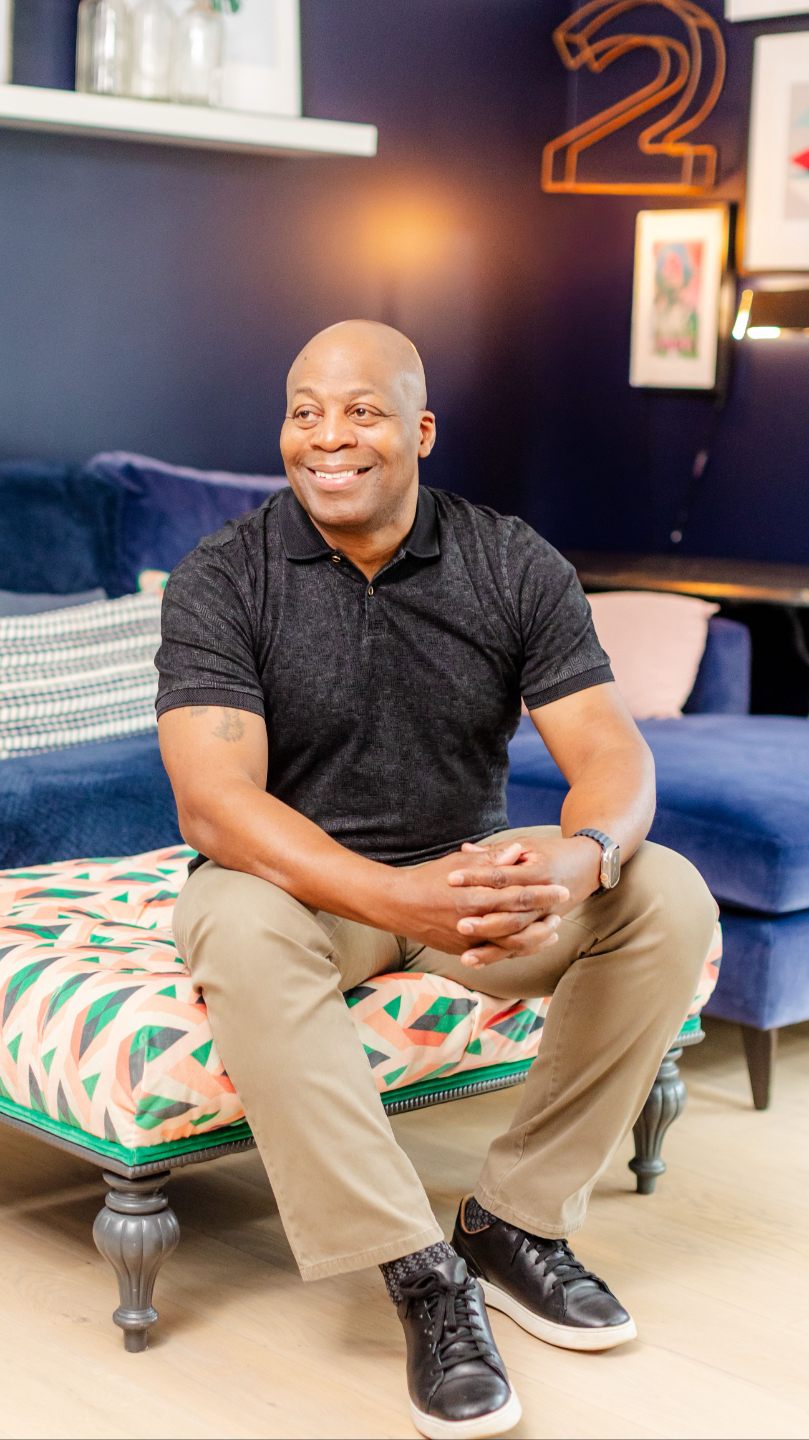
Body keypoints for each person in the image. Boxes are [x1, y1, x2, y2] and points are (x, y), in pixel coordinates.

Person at [156, 319, 716, 1440]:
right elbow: (215, 804)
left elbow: (609, 752)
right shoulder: (223, 577)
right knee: (225, 915)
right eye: (304, 409)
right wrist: (391, 899)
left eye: (360, 410)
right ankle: (419, 1270)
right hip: (304, 891)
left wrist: (581, 855)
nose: (327, 437)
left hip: (465, 874)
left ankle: (512, 1223)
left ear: (416, 430)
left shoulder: (508, 559)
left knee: (667, 895)